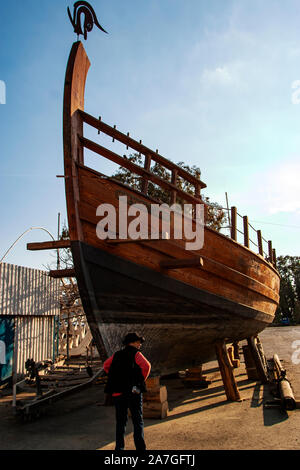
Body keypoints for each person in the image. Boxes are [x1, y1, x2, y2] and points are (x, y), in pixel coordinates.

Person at [103, 332, 151, 451]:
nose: (140, 344)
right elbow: (146, 366)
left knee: (121, 422)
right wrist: (140, 380)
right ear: (133, 343)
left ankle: (119, 447)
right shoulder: (136, 354)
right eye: (138, 342)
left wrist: (115, 377)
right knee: (137, 420)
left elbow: (106, 365)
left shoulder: (116, 355)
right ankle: (140, 448)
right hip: (133, 392)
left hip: (118, 392)